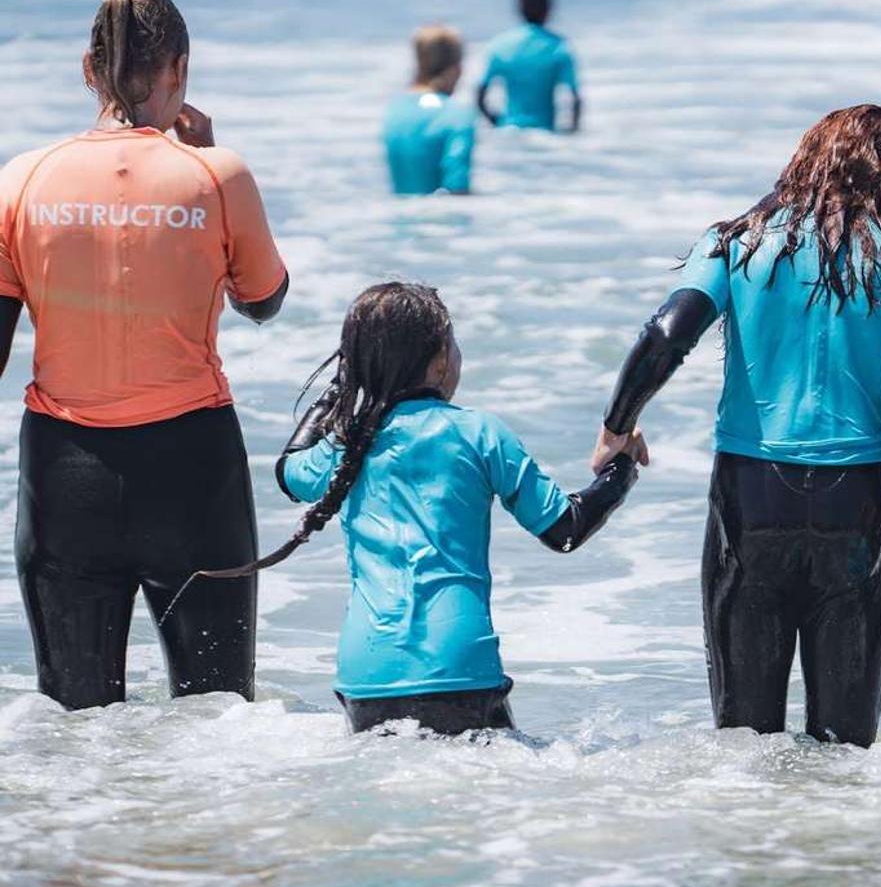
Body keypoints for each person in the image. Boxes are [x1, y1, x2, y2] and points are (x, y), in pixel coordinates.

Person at [593, 104, 881, 748]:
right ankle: (838, 851)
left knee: (743, 748)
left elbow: (668, 333)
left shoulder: (735, 246)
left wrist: (619, 425)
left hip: (749, 505)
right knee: (846, 755)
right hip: (856, 518)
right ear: (872, 179)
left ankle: (759, 850)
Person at [0, 0, 289, 711]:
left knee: (73, 723)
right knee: (221, 716)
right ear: (180, 69)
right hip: (192, 473)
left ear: (88, 69)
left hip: (64, 477)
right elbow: (263, 300)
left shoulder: (21, 179)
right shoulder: (218, 174)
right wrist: (202, 162)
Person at [214, 283, 637, 736]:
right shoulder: (479, 433)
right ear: (438, 361)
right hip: (457, 667)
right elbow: (565, 529)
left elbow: (288, 472)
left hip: (365, 674)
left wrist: (340, 389)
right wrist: (622, 467)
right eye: (453, 344)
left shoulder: (347, 444)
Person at [383, 26, 476, 196]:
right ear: (455, 69)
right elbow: (457, 183)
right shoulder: (457, 115)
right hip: (441, 218)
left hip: (399, 218)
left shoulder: (395, 111)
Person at [477, 0, 581, 132]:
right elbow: (574, 98)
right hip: (546, 133)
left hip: (509, 132)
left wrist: (496, 122)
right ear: (549, 8)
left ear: (519, 7)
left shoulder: (500, 46)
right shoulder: (559, 47)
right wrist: (571, 133)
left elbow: (480, 96)